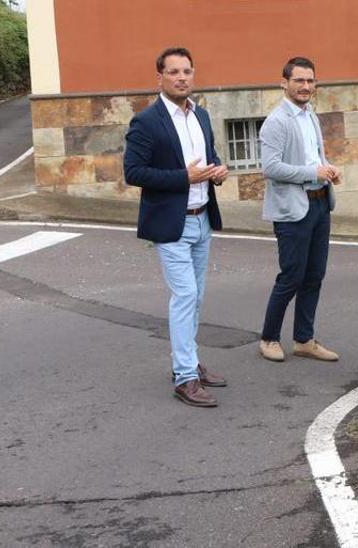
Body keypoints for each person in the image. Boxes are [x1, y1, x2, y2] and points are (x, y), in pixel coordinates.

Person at [123, 47, 229, 408]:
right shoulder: (147, 121)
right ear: (160, 78)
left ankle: (190, 362)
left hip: (202, 219)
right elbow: (133, 173)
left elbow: (209, 158)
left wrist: (217, 171)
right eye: (174, 72)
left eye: (187, 71)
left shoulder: (202, 116)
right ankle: (184, 377)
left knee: (195, 297)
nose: (182, 77)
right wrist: (185, 177)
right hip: (171, 224)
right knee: (184, 296)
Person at [256, 56, 341, 364]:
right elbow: (271, 168)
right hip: (292, 210)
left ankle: (304, 339)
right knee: (292, 276)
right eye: (299, 81)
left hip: (320, 203)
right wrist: (312, 173)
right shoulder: (276, 121)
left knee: (315, 275)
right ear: (285, 83)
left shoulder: (310, 116)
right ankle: (268, 338)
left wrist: (328, 170)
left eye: (310, 81)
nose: (306, 86)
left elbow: (313, 157)